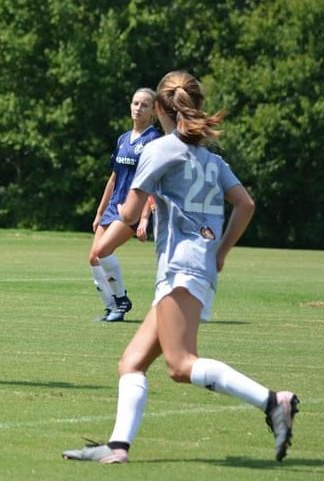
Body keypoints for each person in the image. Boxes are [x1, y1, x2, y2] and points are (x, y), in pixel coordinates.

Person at [63, 71, 299, 463]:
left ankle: (274, 401)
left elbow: (129, 213)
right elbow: (245, 204)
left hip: (181, 268)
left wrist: (104, 243)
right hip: (194, 267)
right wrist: (220, 252)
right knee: (132, 362)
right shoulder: (210, 158)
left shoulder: (158, 149)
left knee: (180, 364)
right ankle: (118, 447)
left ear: (159, 108)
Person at [89, 88, 161, 322]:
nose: (138, 108)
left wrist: (144, 218)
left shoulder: (153, 141)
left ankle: (121, 300)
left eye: (144, 105)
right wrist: (100, 212)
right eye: (135, 103)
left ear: (154, 111)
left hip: (132, 210)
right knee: (93, 258)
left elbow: (153, 182)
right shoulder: (123, 139)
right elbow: (114, 179)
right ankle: (112, 307)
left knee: (103, 251)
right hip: (113, 207)